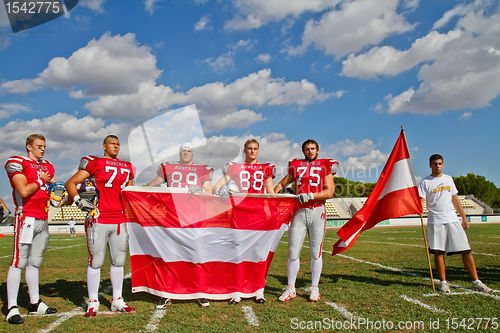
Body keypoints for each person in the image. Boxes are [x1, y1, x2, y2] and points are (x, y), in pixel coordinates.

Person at [65, 135, 136, 317]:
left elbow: (130, 192)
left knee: (118, 261)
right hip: (99, 217)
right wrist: (79, 200)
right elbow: (70, 183)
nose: (116, 146)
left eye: (118, 144)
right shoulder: (94, 162)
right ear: (104, 146)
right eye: (112, 143)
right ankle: (93, 301)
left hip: (119, 218)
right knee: (96, 261)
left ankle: (117, 300)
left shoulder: (127, 167)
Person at [147, 142, 214, 308]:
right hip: (172, 218)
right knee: (169, 256)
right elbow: (151, 185)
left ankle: (199, 291)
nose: (186, 153)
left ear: (193, 154)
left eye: (189, 151)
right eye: (183, 150)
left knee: (196, 255)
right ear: (179, 153)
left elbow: (209, 192)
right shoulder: (168, 168)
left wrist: (199, 190)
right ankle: (166, 292)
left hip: (194, 218)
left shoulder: (201, 170)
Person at [213, 138, 275, 304]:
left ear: (258, 150)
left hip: (259, 214)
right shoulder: (235, 167)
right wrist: (223, 193)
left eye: (255, 148)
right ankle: (237, 289)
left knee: (258, 253)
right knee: (238, 252)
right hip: (240, 214)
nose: (252, 151)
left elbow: (270, 193)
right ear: (244, 150)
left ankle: (258, 290)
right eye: (249, 148)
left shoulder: (265, 168)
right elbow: (216, 187)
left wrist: (271, 211)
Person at [418, 154, 492, 293]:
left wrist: (464, 218)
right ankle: (443, 283)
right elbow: (421, 200)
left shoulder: (448, 179)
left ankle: (476, 281)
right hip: (435, 220)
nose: (437, 166)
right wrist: (419, 210)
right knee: (438, 252)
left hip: (452, 219)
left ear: (443, 164)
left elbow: (455, 199)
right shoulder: (425, 182)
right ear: (430, 165)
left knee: (466, 251)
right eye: (435, 164)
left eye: (440, 163)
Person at [274, 139, 338, 302]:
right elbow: (282, 183)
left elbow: (329, 192)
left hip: (317, 210)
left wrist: (310, 195)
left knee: (315, 252)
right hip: (299, 212)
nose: (310, 151)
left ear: (318, 150)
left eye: (313, 148)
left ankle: (314, 288)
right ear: (303, 151)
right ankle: (290, 288)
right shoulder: (295, 165)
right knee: (293, 251)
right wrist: (273, 198)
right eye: (307, 149)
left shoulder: (326, 164)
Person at [4, 134, 58, 325]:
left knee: (34, 262)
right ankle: (11, 306)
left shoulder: (47, 165)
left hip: (42, 218)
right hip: (26, 216)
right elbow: (24, 191)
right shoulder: (17, 162)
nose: (42, 149)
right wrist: (43, 180)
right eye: (39, 146)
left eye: (44, 146)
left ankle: (34, 303)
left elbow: (51, 188)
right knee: (18, 262)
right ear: (29, 147)